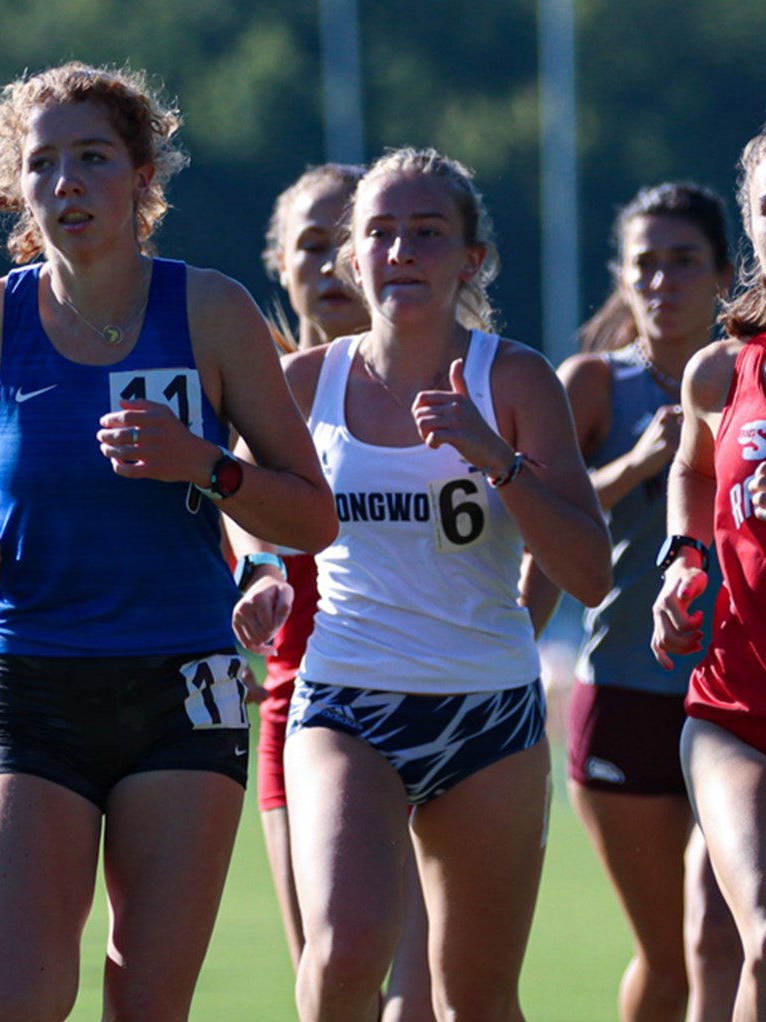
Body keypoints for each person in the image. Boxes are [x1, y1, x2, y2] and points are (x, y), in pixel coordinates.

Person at [0, 62, 336, 1021]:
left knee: (146, 1004)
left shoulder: (210, 311)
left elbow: (308, 513)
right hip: (35, 681)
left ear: (141, 177)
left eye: (93, 158)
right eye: (44, 164)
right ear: (20, 186)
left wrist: (203, 463)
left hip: (188, 685)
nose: (68, 184)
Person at [233, 147, 610, 1021]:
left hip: (488, 711)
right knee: (343, 954)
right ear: (351, 260)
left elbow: (588, 572)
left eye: (428, 233)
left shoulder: (511, 379)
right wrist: (260, 570)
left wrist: (498, 459)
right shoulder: (302, 384)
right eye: (381, 233)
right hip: (346, 701)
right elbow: (240, 493)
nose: (402, 251)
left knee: (473, 998)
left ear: (471, 260)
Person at [536, 181, 740, 1022]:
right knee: (670, 960)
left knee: (720, 943)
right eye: (645, 265)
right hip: (624, 699)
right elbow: (531, 512)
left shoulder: (749, 383)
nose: (664, 282)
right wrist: (635, 467)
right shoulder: (591, 386)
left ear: (726, 274)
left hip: (737, 703)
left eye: (684, 261)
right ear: (622, 279)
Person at [248, 162, 435, 1022]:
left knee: (422, 996)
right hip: (307, 706)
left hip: (443, 693)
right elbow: (237, 523)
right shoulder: (256, 397)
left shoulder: (451, 391)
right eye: (307, 247)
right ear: (277, 263)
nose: (327, 266)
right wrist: (249, 581)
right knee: (333, 980)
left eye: (342, 243)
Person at [656, 125, 766, 1022]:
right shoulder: (720, 372)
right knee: (760, 936)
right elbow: (693, 470)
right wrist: (685, 562)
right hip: (732, 711)